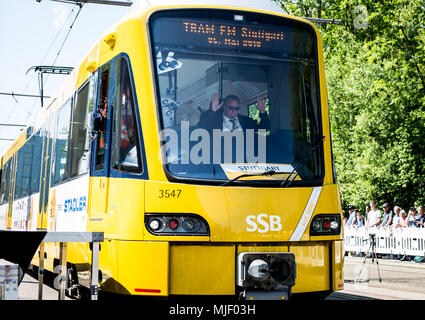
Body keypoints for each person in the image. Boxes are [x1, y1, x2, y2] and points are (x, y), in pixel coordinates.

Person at [198, 93, 270, 133]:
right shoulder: (215, 120)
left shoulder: (246, 121)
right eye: (231, 108)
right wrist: (212, 111)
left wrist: (263, 112)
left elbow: (264, 128)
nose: (234, 110)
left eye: (237, 108)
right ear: (224, 106)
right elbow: (202, 129)